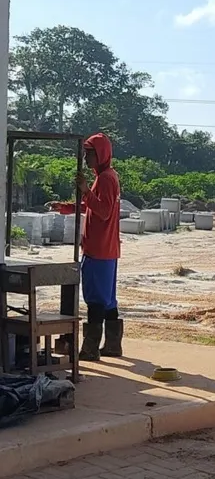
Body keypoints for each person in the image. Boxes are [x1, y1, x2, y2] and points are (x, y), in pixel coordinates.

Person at [77, 132, 122, 360]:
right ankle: (113, 345)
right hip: (108, 249)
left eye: (89, 154)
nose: (86, 159)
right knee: (108, 300)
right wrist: (68, 207)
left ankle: (90, 348)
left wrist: (85, 191)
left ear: (101, 154)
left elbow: (103, 212)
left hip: (98, 249)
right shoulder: (107, 176)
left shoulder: (105, 178)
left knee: (95, 298)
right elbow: (96, 207)